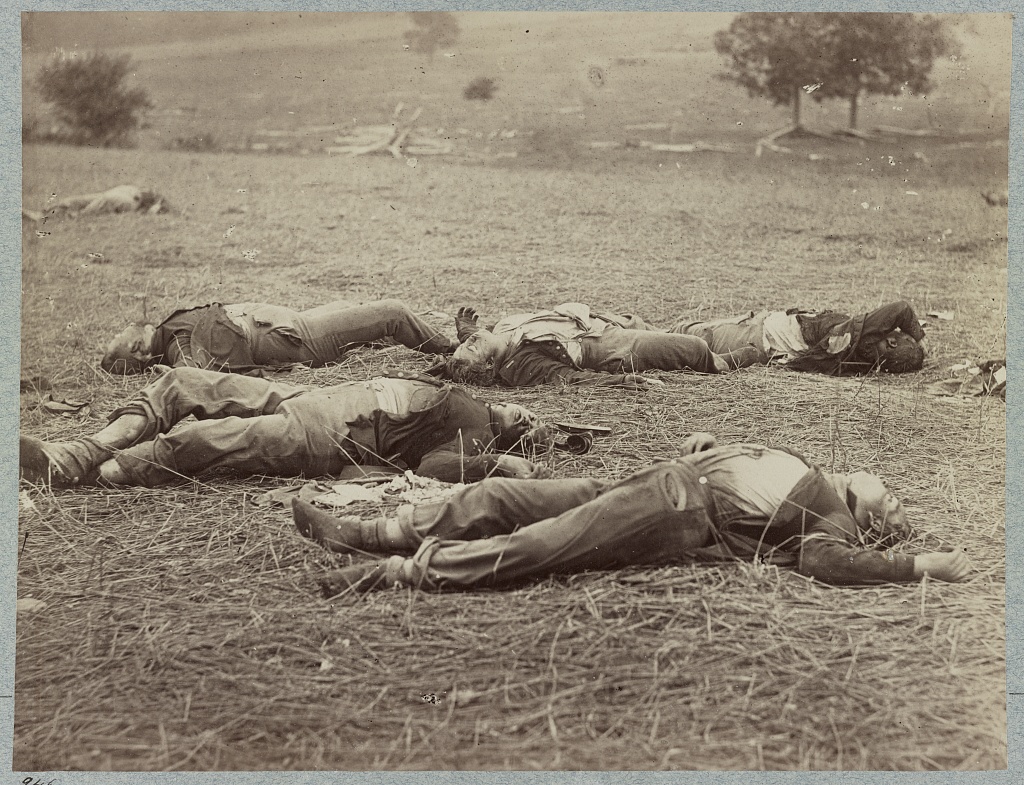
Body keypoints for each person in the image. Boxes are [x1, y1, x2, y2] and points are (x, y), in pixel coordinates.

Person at [294, 432, 973, 594]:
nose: (894, 492)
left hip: (677, 509)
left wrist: (917, 563)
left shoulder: (836, 518)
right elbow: (744, 465)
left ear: (871, 513)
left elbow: (828, 561)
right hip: (659, 477)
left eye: (896, 504)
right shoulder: (812, 465)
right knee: (501, 496)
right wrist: (711, 441)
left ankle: (399, 571)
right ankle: (366, 530)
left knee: (546, 542)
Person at [19, 368, 552, 489]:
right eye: (531, 414)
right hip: (315, 399)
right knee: (183, 382)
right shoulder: (471, 398)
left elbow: (434, 468)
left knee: (207, 439)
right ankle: (83, 448)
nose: (527, 419)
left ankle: (88, 471)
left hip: (328, 436)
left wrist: (496, 462)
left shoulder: (479, 434)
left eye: (528, 430)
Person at [436, 303, 758, 388]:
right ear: (491, 366)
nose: (471, 342)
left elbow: (479, 339)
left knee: (673, 328)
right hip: (611, 346)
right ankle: (728, 361)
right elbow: (570, 379)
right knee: (693, 347)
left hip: (605, 321)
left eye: (466, 343)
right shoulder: (521, 364)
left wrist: (469, 332)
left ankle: (725, 337)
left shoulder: (500, 332)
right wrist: (622, 381)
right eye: (472, 347)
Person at [101, 298, 458, 375]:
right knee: (392, 313)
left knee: (361, 307)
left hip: (293, 323)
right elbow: (193, 374)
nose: (125, 326)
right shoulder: (176, 345)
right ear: (138, 348)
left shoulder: (170, 332)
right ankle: (456, 352)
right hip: (299, 338)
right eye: (121, 335)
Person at [671, 300, 927, 375]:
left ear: (891, 341)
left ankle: (632, 327)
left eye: (895, 334)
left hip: (751, 333)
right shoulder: (863, 363)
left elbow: (901, 309)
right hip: (759, 341)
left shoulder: (861, 336)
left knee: (682, 334)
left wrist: (919, 338)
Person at [22, 184, 169, 222]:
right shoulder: (135, 194)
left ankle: (45, 216)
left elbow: (154, 207)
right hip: (124, 194)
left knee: (85, 209)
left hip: (126, 197)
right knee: (76, 204)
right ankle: (44, 215)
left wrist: (154, 205)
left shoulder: (140, 201)